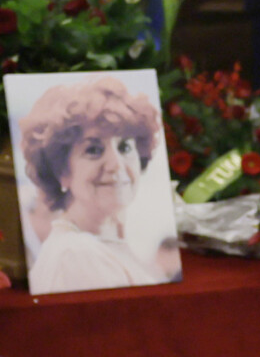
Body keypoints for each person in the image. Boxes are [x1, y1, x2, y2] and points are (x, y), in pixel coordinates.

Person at [19, 76, 174, 295]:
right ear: (61, 171)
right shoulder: (75, 255)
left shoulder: (104, 243)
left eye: (125, 147)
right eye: (93, 150)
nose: (116, 164)